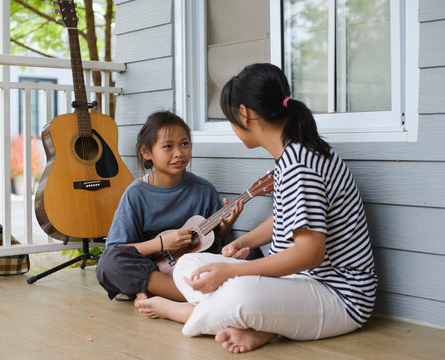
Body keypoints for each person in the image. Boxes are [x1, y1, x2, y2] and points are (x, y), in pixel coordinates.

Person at [136, 64, 378, 354]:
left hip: (340, 296)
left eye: (230, 119)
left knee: (239, 291)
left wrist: (231, 273)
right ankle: (265, 326)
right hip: (299, 284)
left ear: (245, 114)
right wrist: (243, 241)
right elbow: (292, 218)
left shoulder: (300, 166)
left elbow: (310, 253)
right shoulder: (293, 154)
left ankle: (181, 312)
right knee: (190, 265)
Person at [95, 111, 244, 306]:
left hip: (192, 268)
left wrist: (224, 228)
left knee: (249, 252)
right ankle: (189, 295)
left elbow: (213, 245)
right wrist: (161, 244)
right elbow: (117, 249)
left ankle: (156, 294)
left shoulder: (204, 190)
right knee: (108, 263)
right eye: (168, 146)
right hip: (151, 271)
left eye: (185, 144)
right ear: (146, 152)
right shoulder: (135, 194)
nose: (179, 153)